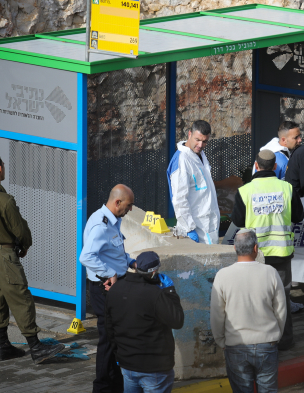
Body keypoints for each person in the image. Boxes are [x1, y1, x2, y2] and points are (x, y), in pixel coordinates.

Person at [0, 154, 65, 364]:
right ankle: (35, 347)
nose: (4, 168)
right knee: (20, 297)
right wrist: (24, 245)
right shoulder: (4, 200)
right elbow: (20, 229)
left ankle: (3, 346)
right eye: (3, 166)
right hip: (4, 254)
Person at [232, 150, 304, 350]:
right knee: (282, 297)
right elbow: (298, 216)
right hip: (281, 253)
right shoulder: (287, 188)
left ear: (256, 165)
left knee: (257, 297)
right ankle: (285, 340)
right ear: (275, 167)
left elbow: (238, 221)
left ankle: (261, 340)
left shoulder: (245, 191)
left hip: (255, 255)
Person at [210, 230, 286, 393]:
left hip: (236, 345)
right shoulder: (270, 272)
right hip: (267, 343)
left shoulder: (222, 275)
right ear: (256, 248)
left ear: (235, 248)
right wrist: (276, 334)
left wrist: (221, 341)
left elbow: (217, 314)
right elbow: (281, 309)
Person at [80, 184, 137, 393]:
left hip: (116, 285)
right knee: (108, 339)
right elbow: (86, 257)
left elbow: (113, 251)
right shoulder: (101, 225)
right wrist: (109, 273)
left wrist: (131, 262)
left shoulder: (114, 220)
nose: (130, 210)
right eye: (128, 206)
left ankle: (115, 384)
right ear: (117, 202)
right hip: (104, 289)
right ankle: (102, 387)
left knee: (116, 338)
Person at [105, 251, 184, 393]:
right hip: (154, 369)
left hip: (127, 365)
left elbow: (110, 328)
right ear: (154, 272)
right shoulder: (156, 294)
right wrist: (170, 292)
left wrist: (120, 355)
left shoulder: (115, 289)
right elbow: (177, 320)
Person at [167, 120, 220, 244]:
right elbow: (179, 200)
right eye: (197, 139)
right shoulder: (182, 160)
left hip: (208, 226)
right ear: (189, 134)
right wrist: (189, 228)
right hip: (196, 228)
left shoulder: (198, 154)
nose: (200, 145)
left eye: (205, 141)